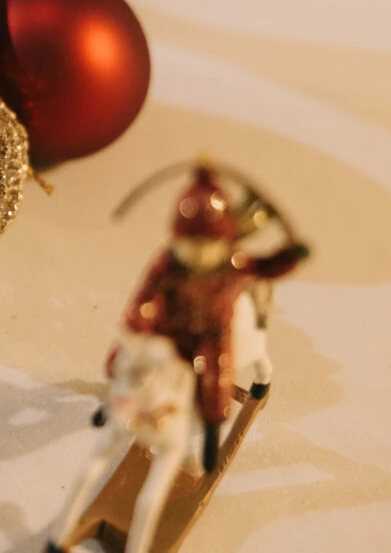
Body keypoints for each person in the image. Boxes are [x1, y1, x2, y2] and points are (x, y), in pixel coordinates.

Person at [118, 163, 309, 471]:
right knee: (126, 359)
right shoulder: (167, 264)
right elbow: (146, 295)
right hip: (168, 329)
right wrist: (138, 321)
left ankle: (209, 435)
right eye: (190, 243)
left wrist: (289, 258)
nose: (197, 252)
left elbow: (264, 268)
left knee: (214, 382)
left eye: (206, 244)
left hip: (211, 333)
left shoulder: (233, 262)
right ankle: (115, 409)